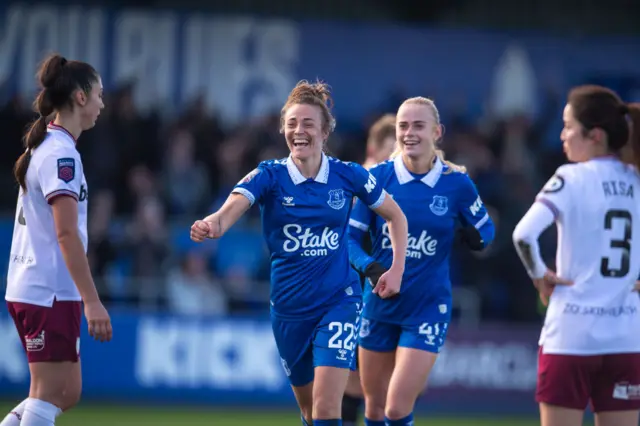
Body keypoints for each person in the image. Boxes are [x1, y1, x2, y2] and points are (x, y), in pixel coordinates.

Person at [190, 80, 409, 426]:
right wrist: (214, 224)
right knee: (309, 413)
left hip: (339, 300)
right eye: (292, 124)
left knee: (325, 409)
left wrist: (396, 268)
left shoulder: (348, 175)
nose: (299, 131)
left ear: (325, 131)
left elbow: (396, 215)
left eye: (308, 123)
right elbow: (234, 205)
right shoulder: (270, 175)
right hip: (289, 312)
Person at [348, 97, 495, 426]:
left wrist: (477, 237)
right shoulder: (377, 178)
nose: (409, 133)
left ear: (437, 132)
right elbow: (348, 240)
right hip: (379, 303)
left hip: (427, 308)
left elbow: (487, 228)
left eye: (418, 125)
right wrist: (371, 268)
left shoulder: (456, 183)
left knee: (396, 408)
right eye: (403, 126)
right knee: (373, 408)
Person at [512, 85, 640, 426]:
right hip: (626, 336)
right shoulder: (636, 179)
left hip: (571, 335)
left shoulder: (570, 178)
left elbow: (523, 235)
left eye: (568, 126)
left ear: (595, 135)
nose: (562, 135)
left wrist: (539, 274)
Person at [1, 54, 111, 426]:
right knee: (52, 394)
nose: (101, 104)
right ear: (80, 97)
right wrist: (92, 300)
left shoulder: (47, 146)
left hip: (36, 286)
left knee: (63, 393)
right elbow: (65, 233)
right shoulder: (61, 154)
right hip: (48, 289)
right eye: (98, 94)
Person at [342, 113, 396, 426]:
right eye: (390, 154)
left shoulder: (399, 188)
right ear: (373, 153)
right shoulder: (354, 187)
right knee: (351, 383)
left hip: (386, 297)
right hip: (351, 296)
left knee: (382, 388)